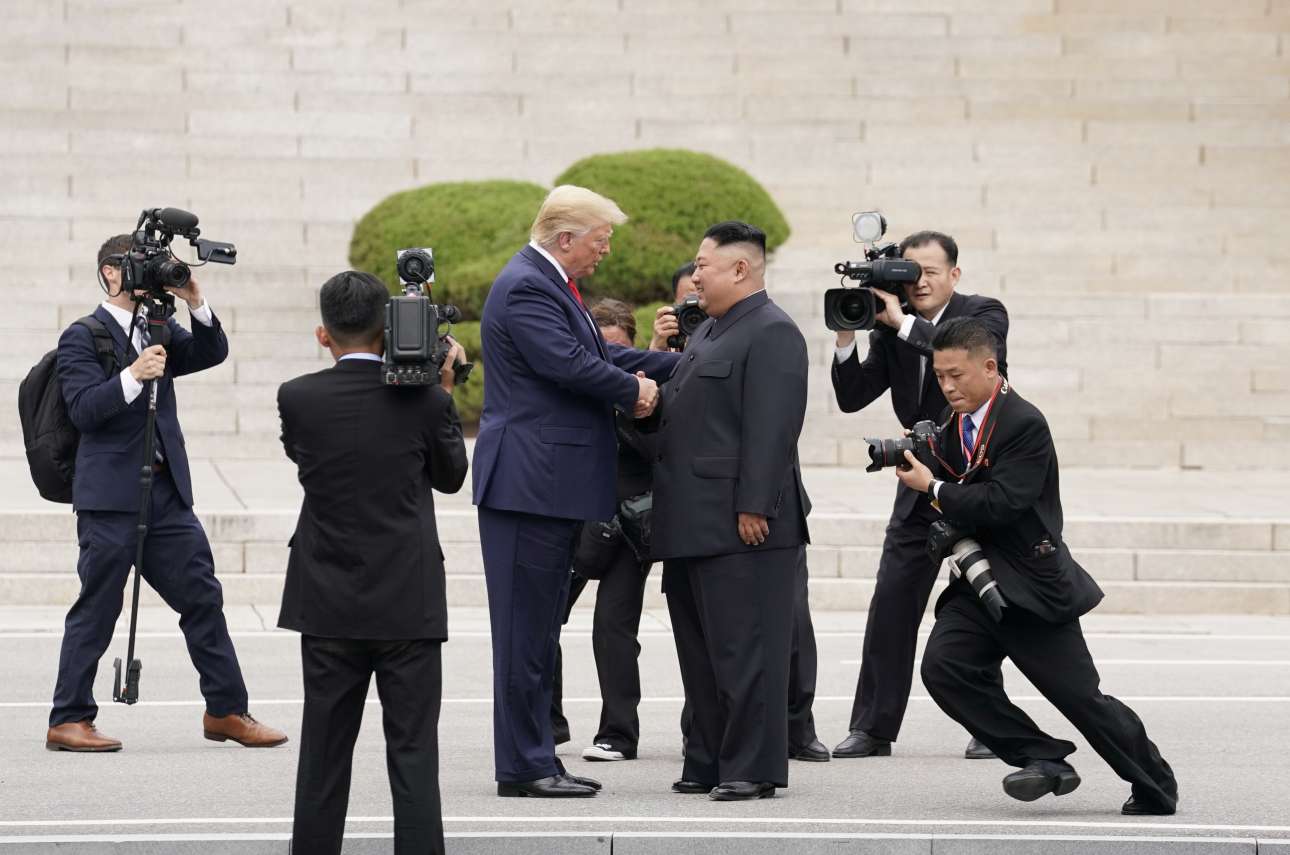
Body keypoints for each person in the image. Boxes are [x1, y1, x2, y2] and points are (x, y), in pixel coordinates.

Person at [898, 317, 1179, 816]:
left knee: (1080, 699)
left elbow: (1003, 502)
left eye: (956, 375)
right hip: (976, 580)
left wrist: (933, 487)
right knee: (945, 670)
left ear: (990, 367)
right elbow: (958, 478)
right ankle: (1042, 757)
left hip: (1030, 584)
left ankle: (1156, 783)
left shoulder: (1024, 422)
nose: (947, 386)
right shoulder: (951, 419)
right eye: (940, 376)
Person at [473, 185, 680, 798]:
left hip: (546, 485)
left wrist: (688, 365)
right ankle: (524, 767)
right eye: (600, 239)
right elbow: (568, 364)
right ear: (566, 238)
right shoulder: (527, 285)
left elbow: (602, 355)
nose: (605, 250)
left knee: (538, 634)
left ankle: (538, 758)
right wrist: (637, 391)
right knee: (524, 634)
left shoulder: (550, 283)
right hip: (528, 484)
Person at [46, 234, 285, 752]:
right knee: (98, 606)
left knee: (203, 597)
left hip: (166, 492)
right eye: (138, 265)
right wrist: (133, 375)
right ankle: (69, 717)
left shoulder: (159, 328)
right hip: (110, 497)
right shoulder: (82, 335)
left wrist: (194, 300)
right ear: (110, 273)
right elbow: (83, 409)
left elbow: (211, 352)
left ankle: (226, 710)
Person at [277, 270, 468, 855]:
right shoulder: (426, 400)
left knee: (323, 752)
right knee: (413, 752)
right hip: (408, 600)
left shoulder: (297, 397)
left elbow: (303, 457)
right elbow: (451, 477)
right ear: (388, 330)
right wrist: (442, 386)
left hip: (326, 597)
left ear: (323, 334)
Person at [648, 221, 811, 801]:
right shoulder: (710, 331)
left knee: (747, 652)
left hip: (743, 524)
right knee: (702, 654)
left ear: (740, 269)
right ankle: (708, 759)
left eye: (703, 265)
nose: (694, 276)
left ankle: (752, 767)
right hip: (691, 521)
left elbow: (773, 427)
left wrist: (755, 504)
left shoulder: (772, 330)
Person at [830, 230, 1007, 761]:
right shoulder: (893, 326)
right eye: (912, 272)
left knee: (981, 604)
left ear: (954, 274)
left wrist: (902, 323)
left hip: (979, 475)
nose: (920, 282)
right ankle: (872, 728)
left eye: (930, 272)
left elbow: (961, 351)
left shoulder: (983, 313)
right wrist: (847, 333)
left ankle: (990, 727)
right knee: (892, 601)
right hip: (918, 476)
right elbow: (852, 397)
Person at [549, 298, 657, 763]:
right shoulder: (571, 383)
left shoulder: (647, 391)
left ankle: (619, 733)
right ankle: (547, 724)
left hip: (628, 527)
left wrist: (633, 406)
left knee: (614, 629)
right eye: (602, 350)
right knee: (543, 619)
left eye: (620, 350)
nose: (611, 360)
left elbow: (660, 452)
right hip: (575, 521)